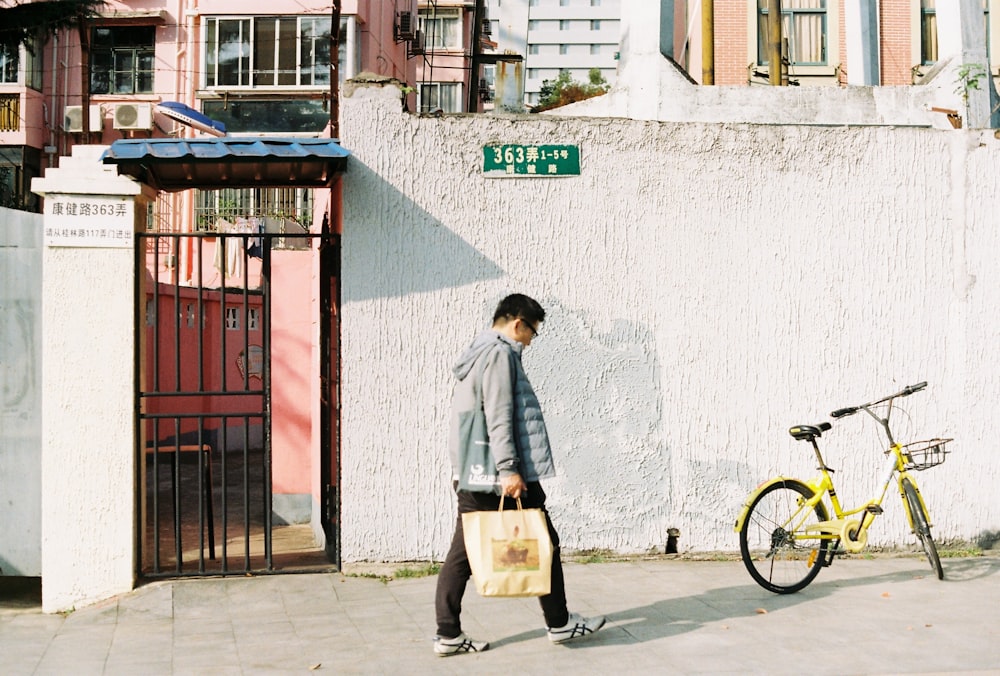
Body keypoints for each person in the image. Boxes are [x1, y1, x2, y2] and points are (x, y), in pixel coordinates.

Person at [433, 293, 605, 656]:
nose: (530, 340)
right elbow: (499, 416)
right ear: (517, 323)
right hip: (500, 477)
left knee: (463, 555)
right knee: (544, 542)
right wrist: (510, 470)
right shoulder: (498, 355)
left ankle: (448, 633)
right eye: (532, 332)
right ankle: (559, 623)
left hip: (474, 472)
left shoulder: (479, 352)